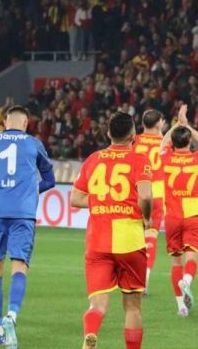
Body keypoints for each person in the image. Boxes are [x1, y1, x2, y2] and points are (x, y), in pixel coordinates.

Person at [0, 106, 56, 348]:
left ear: (5, 122)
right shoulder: (34, 144)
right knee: (20, 267)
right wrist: (29, 189)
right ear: (26, 123)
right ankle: (12, 315)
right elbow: (50, 180)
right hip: (23, 213)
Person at [70, 111, 153, 349]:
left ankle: (90, 334)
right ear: (133, 134)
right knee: (133, 306)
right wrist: (147, 217)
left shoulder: (93, 159)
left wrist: (102, 201)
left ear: (108, 133)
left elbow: (75, 198)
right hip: (130, 240)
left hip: (98, 240)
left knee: (97, 304)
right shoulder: (139, 159)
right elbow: (146, 195)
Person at [160, 104, 198, 317]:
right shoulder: (197, 159)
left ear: (173, 143)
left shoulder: (166, 158)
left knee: (176, 261)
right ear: (189, 142)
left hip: (172, 216)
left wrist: (176, 124)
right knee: (192, 257)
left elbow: (163, 142)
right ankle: (187, 281)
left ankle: (181, 306)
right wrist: (187, 125)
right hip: (192, 215)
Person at [133, 109, 165, 294]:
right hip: (157, 194)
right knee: (151, 236)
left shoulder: (134, 140)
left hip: (137, 192)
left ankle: (130, 275)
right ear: (159, 123)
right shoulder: (165, 142)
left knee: (135, 235)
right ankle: (144, 277)